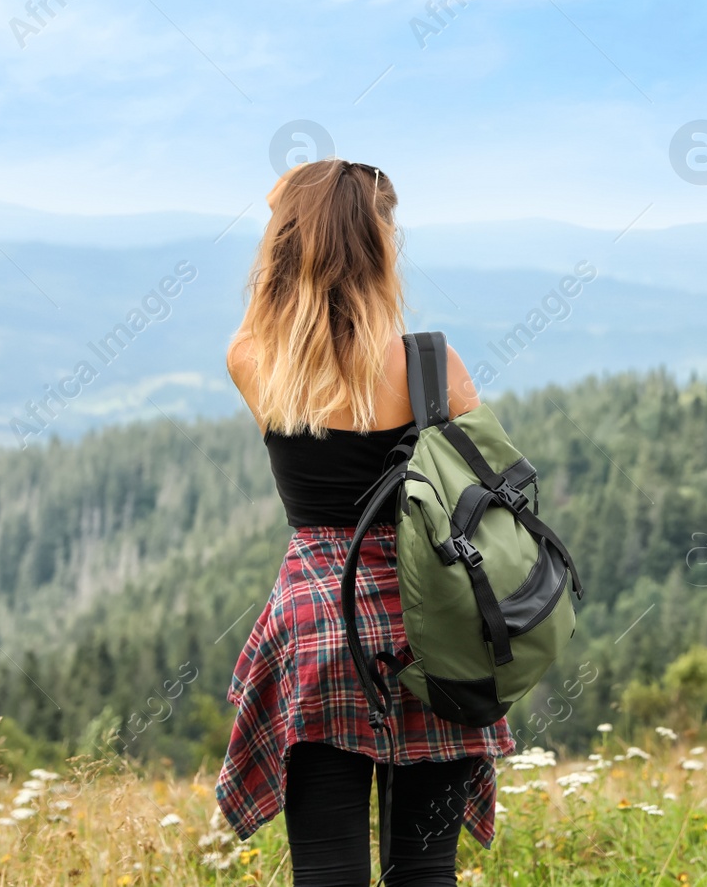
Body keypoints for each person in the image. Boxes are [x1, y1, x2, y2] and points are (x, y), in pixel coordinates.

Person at [215, 159, 514, 886]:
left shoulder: (256, 359)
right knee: (424, 866)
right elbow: (489, 491)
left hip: (321, 620)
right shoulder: (433, 365)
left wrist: (289, 220)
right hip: (434, 622)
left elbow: (269, 310)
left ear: (285, 247)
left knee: (327, 866)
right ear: (382, 248)